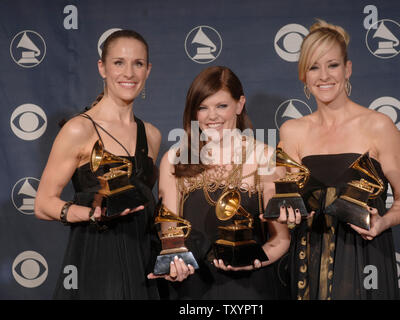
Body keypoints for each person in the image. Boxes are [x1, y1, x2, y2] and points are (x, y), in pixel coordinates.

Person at [278, 20, 400, 299]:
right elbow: (285, 200)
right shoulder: (292, 131)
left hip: (364, 260)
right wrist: (285, 215)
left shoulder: (379, 125)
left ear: (348, 69)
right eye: (314, 67)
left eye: (332, 65)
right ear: (303, 75)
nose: (324, 76)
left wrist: (382, 223)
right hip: (309, 261)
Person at [34, 29, 161, 299]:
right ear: (102, 67)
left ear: (148, 70)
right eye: (119, 62)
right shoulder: (78, 129)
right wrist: (93, 214)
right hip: (95, 261)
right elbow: (43, 203)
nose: (129, 73)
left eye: (138, 63)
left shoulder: (151, 135)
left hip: (142, 264)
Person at [148, 66, 290, 299]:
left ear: (239, 104)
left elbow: (281, 239)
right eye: (202, 107)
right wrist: (174, 265)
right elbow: (171, 236)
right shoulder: (174, 159)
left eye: (221, 106)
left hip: (251, 289)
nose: (212, 116)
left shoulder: (266, 157)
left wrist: (253, 262)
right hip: (192, 291)